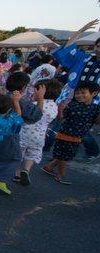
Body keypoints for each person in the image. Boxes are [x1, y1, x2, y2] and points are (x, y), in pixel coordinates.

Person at [52, 19, 100, 162]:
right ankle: (55, 151)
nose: (98, 49)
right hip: (73, 96)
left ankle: (92, 151)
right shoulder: (85, 58)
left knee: (81, 129)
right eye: (97, 46)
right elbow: (68, 48)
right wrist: (81, 30)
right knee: (61, 121)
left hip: (93, 102)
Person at [0, 72, 43, 194]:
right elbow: (35, 116)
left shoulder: (1, 97)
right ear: (24, 86)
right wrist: (40, 98)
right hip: (10, 135)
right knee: (15, 158)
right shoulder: (21, 102)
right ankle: (0, 179)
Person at [41, 82, 100, 184]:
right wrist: (60, 110)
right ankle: (60, 175)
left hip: (78, 137)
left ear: (94, 93)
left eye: (83, 93)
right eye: (77, 93)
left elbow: (97, 122)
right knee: (64, 156)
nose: (79, 95)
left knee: (66, 156)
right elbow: (61, 118)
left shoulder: (95, 108)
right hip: (65, 135)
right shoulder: (72, 105)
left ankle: (49, 167)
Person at [16, 79, 62, 185]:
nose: (33, 93)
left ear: (42, 92)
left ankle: (17, 173)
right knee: (33, 153)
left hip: (24, 132)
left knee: (19, 153)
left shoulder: (34, 104)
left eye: (35, 90)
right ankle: (26, 170)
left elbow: (24, 116)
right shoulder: (54, 107)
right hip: (39, 136)